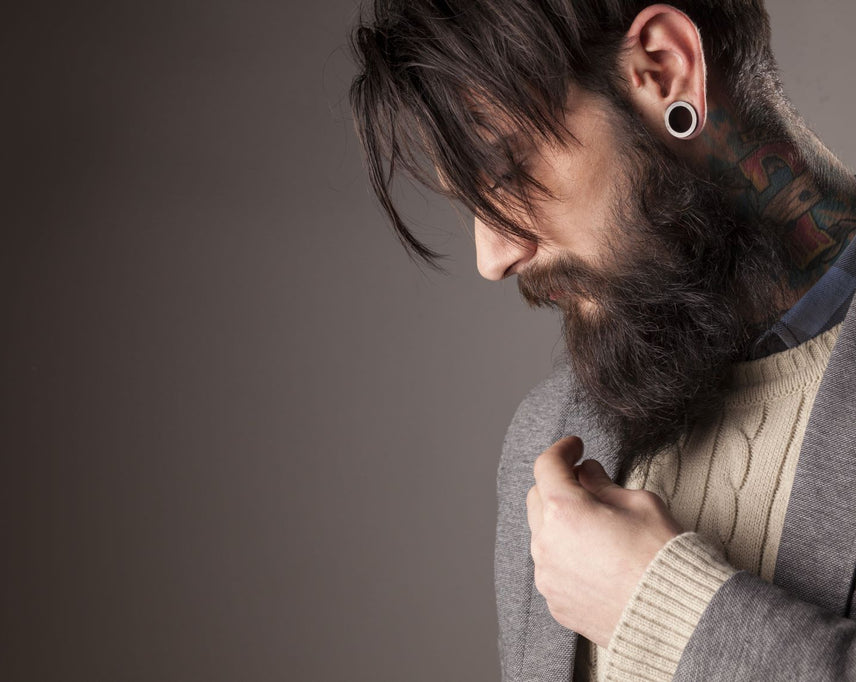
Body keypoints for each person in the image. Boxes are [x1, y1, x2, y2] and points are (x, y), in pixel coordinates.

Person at [348, 1, 856, 680]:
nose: (491, 256)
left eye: (505, 172)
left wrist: (660, 606)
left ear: (664, 70)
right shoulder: (551, 437)